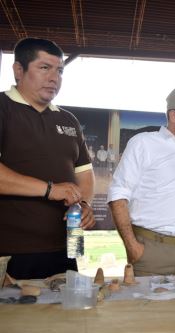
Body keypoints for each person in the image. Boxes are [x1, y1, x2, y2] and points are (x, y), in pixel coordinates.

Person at [0, 37, 95, 279]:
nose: (54, 78)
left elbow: (84, 175)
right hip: (14, 251)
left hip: (70, 246)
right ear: (18, 70)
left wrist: (84, 205)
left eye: (59, 71)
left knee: (69, 315)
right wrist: (49, 189)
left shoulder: (68, 120)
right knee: (17, 317)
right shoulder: (3, 108)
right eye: (44, 68)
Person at [107, 85, 175, 276]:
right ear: (174, 116)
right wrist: (133, 247)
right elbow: (118, 195)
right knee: (150, 307)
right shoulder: (144, 143)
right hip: (151, 252)